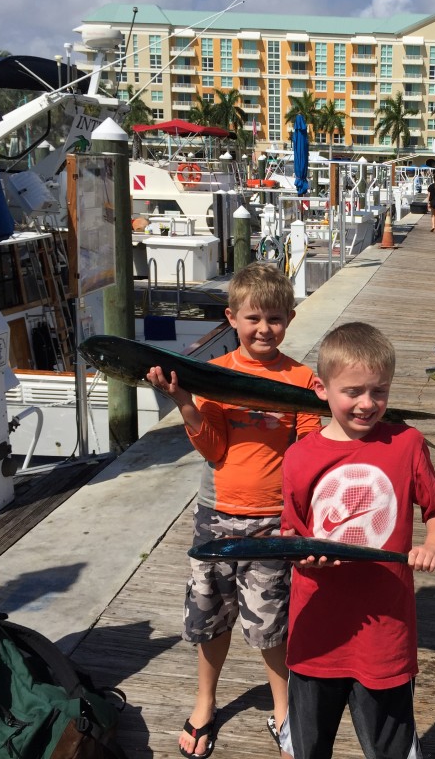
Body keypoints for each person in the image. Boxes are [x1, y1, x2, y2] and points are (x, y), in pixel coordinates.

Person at [146, 263, 321, 759]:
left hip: (272, 520)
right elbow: (215, 449)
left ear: (289, 317)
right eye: (252, 318)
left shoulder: (302, 380)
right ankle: (205, 701)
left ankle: (283, 707)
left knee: (271, 622)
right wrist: (184, 401)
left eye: (274, 318)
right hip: (217, 513)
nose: (263, 328)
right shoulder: (215, 375)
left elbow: (308, 451)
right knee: (209, 615)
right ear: (232, 319)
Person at [279, 321, 435, 759]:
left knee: (390, 747)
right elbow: (290, 534)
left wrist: (433, 543)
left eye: (379, 391)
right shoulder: (299, 456)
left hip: (385, 634)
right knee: (308, 745)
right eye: (353, 391)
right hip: (316, 631)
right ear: (321, 388)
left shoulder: (408, 443)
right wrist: (304, 559)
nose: (367, 403)